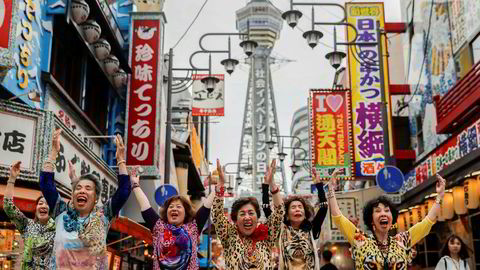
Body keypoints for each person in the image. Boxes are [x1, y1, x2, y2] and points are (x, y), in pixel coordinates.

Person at [40, 129, 131, 269]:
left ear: (95, 198)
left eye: (88, 188)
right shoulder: (61, 211)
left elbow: (124, 191)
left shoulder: (103, 215)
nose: (82, 190)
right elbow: (46, 184)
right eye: (78, 188)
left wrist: (120, 159)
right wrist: (53, 152)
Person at [327, 170, 446, 269]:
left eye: (387, 210)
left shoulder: (402, 241)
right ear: (371, 220)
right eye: (378, 211)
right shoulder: (360, 240)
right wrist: (331, 191)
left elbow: (428, 221)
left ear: (392, 218)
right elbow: (338, 217)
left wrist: (440, 196)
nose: (383, 214)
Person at [130, 167, 215, 270]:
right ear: (166, 212)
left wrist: (217, 189)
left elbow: (206, 207)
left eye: (178, 207)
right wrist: (135, 185)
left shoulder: (192, 228)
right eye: (171, 207)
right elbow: (145, 206)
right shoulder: (159, 227)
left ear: (186, 212)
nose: (174, 209)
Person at [212, 159, 284, 269]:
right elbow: (217, 214)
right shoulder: (228, 235)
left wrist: (272, 183)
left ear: (257, 217)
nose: (247, 217)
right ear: (235, 219)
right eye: (242, 214)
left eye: (251, 213)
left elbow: (279, 212)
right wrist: (221, 184)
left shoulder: (266, 235)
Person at [263, 170, 327, 270]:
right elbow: (266, 209)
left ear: (305, 214)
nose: (297, 209)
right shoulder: (281, 230)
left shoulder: (311, 230)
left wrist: (319, 185)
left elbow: (323, 207)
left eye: (300, 207)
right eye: (293, 207)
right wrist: (267, 184)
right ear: (287, 215)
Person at [3, 161, 56, 269]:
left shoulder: (59, 228)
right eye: (40, 203)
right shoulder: (27, 225)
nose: (43, 206)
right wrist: (12, 179)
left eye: (47, 204)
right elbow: (8, 206)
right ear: (36, 208)